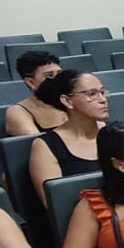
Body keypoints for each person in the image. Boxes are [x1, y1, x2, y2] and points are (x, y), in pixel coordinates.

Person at [28, 70, 106, 208]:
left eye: (102, 92)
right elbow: (56, 206)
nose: (102, 99)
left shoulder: (113, 133)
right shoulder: (45, 146)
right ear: (67, 101)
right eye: (92, 94)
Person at [3, 51, 67, 137]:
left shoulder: (71, 101)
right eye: (49, 75)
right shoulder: (18, 112)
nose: (58, 80)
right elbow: (38, 143)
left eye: (59, 74)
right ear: (31, 82)